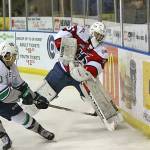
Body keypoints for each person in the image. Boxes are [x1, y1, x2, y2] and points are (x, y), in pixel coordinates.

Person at [36, 22, 120, 131]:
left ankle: (111, 117)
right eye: (96, 34)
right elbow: (60, 36)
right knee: (43, 94)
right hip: (62, 69)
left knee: (94, 91)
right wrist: (62, 46)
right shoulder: (80, 31)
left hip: (80, 79)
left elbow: (95, 68)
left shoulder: (102, 52)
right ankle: (28, 108)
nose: (98, 37)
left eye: (101, 36)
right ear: (91, 31)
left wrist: (82, 71)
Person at [0, 42, 54, 149]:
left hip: (4, 98)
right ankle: (3, 137)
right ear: (4, 54)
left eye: (15, 56)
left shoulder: (13, 67)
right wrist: (23, 96)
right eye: (11, 55)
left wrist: (35, 97)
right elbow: (3, 94)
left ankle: (40, 129)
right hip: (3, 96)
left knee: (21, 118)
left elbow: (21, 85)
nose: (13, 58)